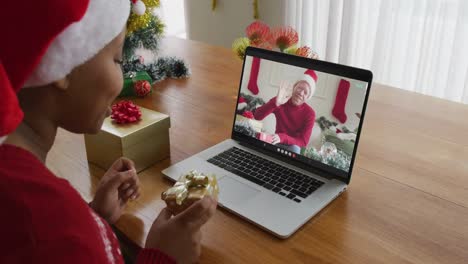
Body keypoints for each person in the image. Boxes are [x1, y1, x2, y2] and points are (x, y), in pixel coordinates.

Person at [0, 1, 216, 263]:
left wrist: (93, 217)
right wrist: (163, 256)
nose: (123, 76)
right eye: (117, 59)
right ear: (64, 63)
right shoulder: (53, 227)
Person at [253, 70, 317, 154]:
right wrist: (275, 103)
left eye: (305, 92)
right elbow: (257, 116)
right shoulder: (281, 100)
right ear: (294, 87)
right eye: (299, 88)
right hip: (276, 143)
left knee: (295, 149)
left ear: (308, 97)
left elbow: (303, 142)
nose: (301, 93)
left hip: (292, 148)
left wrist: (282, 137)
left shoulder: (310, 113)